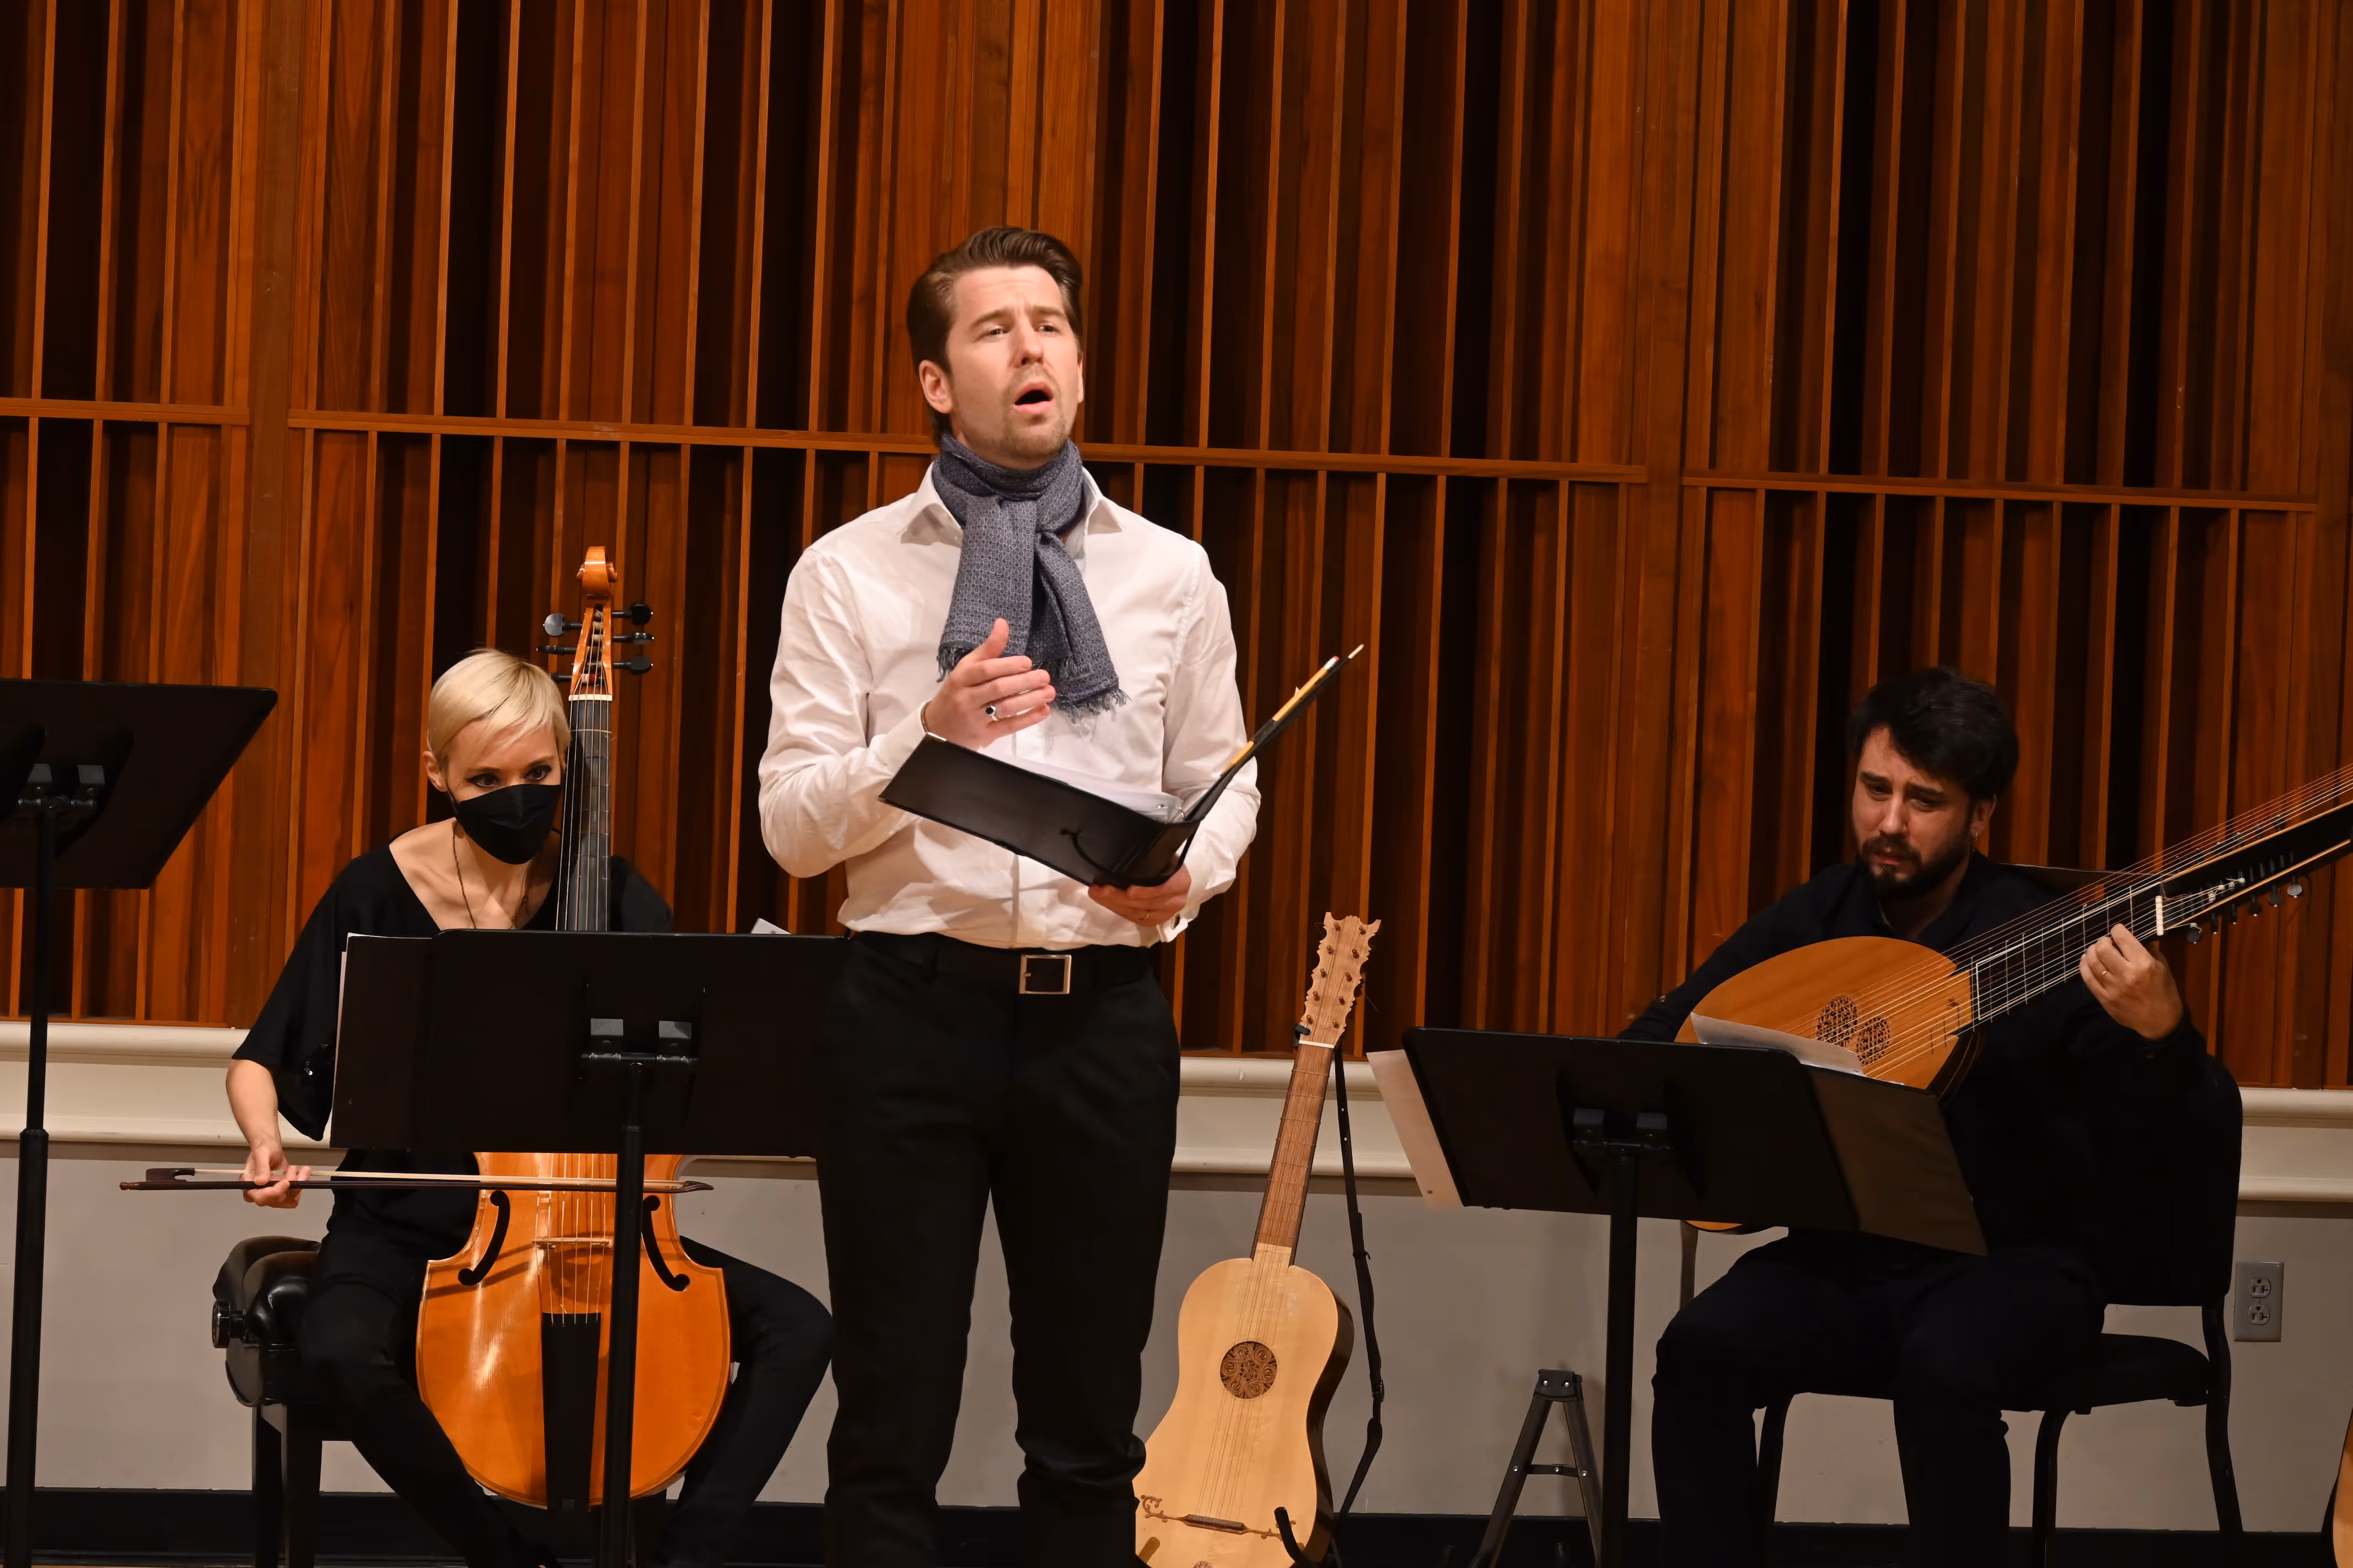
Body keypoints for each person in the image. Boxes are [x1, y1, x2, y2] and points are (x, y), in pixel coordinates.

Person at [758, 225, 1259, 1567]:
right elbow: (791, 830)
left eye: (1050, 326)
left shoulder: (1170, 574)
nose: (1030, 348)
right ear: (938, 382)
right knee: (890, 1419)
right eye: (995, 330)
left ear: (1081, 366)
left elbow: (1228, 780)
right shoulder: (849, 571)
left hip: (1100, 1020)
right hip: (909, 1019)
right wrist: (923, 740)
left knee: (1089, 1423)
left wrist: (1187, 881)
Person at [228, 649, 832, 1568]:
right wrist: (264, 1145)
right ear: (438, 775)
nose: (517, 795)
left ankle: (686, 1557)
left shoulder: (618, 897)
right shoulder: (376, 889)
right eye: (486, 779)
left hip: (599, 1217)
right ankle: (507, 1558)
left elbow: (685, 1087)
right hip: (408, 1223)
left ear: (566, 764)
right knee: (341, 1352)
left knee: (800, 1328)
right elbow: (258, 1061)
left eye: (539, 774)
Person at [1629, 666, 2205, 1567]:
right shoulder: (1823, 915)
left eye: (1924, 800)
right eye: (1875, 791)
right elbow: (1671, 1028)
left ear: (1980, 817)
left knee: (1944, 1365)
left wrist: (2163, 1034)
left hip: (2019, 1267)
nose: (1890, 823)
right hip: (1847, 1260)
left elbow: (2161, 1132)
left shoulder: (2047, 936)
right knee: (1699, 1348)